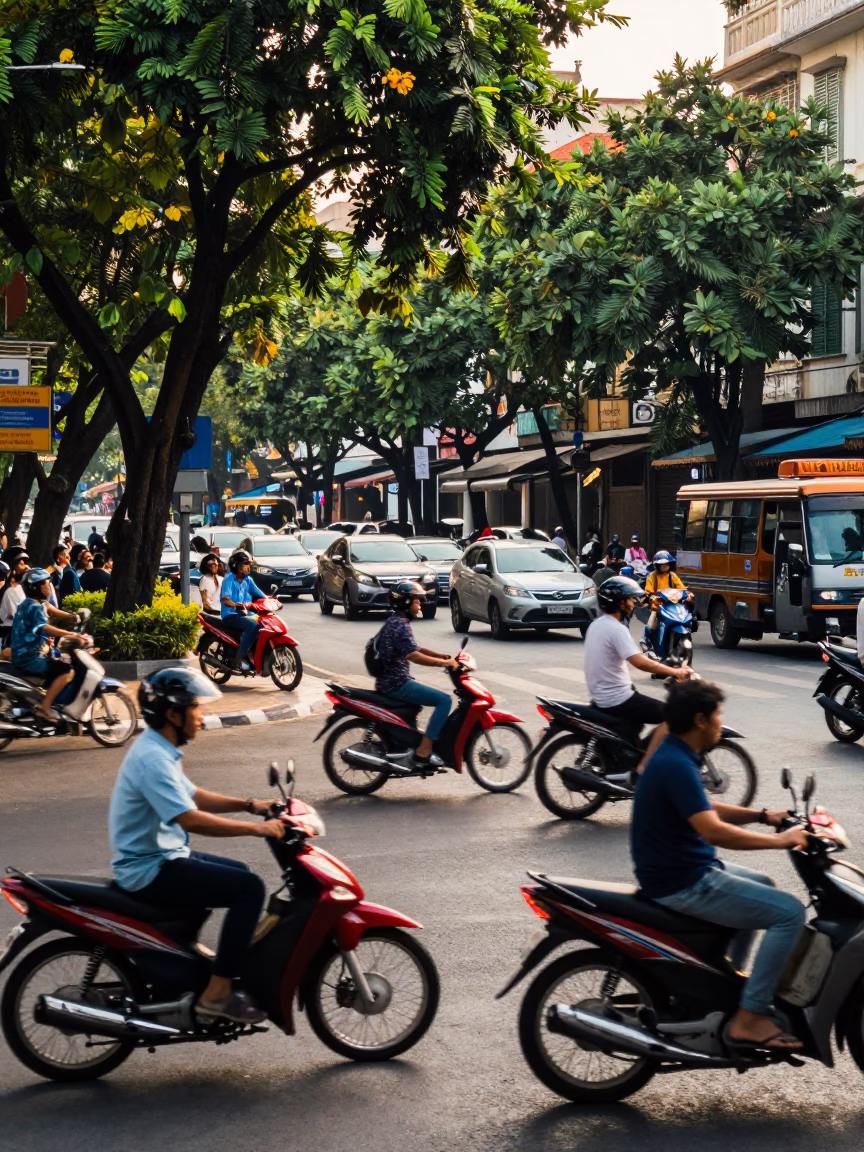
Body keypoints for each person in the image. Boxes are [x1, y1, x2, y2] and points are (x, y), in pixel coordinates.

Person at [632, 680, 809, 1051]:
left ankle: (726, 983)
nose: (720, 722)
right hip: (683, 880)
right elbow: (713, 831)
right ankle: (749, 1017)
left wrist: (765, 816)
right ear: (700, 720)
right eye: (718, 715)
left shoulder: (677, 756)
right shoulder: (675, 764)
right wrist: (779, 841)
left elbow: (705, 808)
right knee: (789, 913)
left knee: (764, 884)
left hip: (684, 869)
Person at [109, 668, 285, 1024]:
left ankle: (190, 963)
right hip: (150, 867)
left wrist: (251, 805)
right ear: (174, 715)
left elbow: (194, 796)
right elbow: (191, 819)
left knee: (239, 873)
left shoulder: (158, 749)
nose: (201, 717)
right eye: (196, 710)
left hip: (162, 856)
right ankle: (217, 993)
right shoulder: (154, 759)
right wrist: (256, 830)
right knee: (249, 889)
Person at [583, 575, 690, 768]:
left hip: (601, 695)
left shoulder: (596, 625)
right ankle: (643, 768)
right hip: (617, 698)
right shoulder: (616, 629)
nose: (634, 604)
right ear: (620, 602)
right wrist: (674, 672)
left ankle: (631, 756)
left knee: (637, 720)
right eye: (631, 599)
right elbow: (639, 661)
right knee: (671, 715)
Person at [375, 581, 459, 770]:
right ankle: (424, 750)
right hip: (396, 684)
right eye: (417, 601)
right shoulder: (400, 625)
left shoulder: (395, 621)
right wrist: (444, 663)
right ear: (405, 602)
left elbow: (414, 647)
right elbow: (413, 655)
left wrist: (440, 655)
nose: (420, 604)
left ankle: (412, 743)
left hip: (391, 681)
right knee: (444, 700)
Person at [11, 568, 83, 721]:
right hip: (29, 657)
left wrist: (72, 616)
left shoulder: (31, 602)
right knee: (65, 670)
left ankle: (50, 702)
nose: (49, 588)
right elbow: (44, 627)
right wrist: (69, 634)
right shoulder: (34, 607)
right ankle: (45, 707)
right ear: (36, 587)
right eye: (46, 585)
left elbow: (52, 609)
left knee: (57, 660)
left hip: (27, 653)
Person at [220, 549, 265, 672]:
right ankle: (239, 658)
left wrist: (272, 601)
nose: (248, 567)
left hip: (246, 613)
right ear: (237, 566)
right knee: (252, 626)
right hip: (231, 615)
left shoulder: (248, 580)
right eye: (246, 565)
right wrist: (238, 605)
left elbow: (261, 595)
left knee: (263, 624)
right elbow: (226, 600)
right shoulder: (228, 580)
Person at [645, 550, 692, 639]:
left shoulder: (672, 575)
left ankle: (689, 627)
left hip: (673, 602)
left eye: (666, 564)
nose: (664, 566)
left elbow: (681, 587)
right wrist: (653, 595)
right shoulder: (652, 576)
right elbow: (648, 590)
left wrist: (687, 594)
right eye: (662, 565)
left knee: (687, 609)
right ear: (657, 565)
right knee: (653, 616)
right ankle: (646, 638)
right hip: (658, 603)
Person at [0, 554, 30, 639]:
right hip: (8, 630)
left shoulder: (24, 587)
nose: (26, 567)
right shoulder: (8, 589)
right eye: (21, 564)